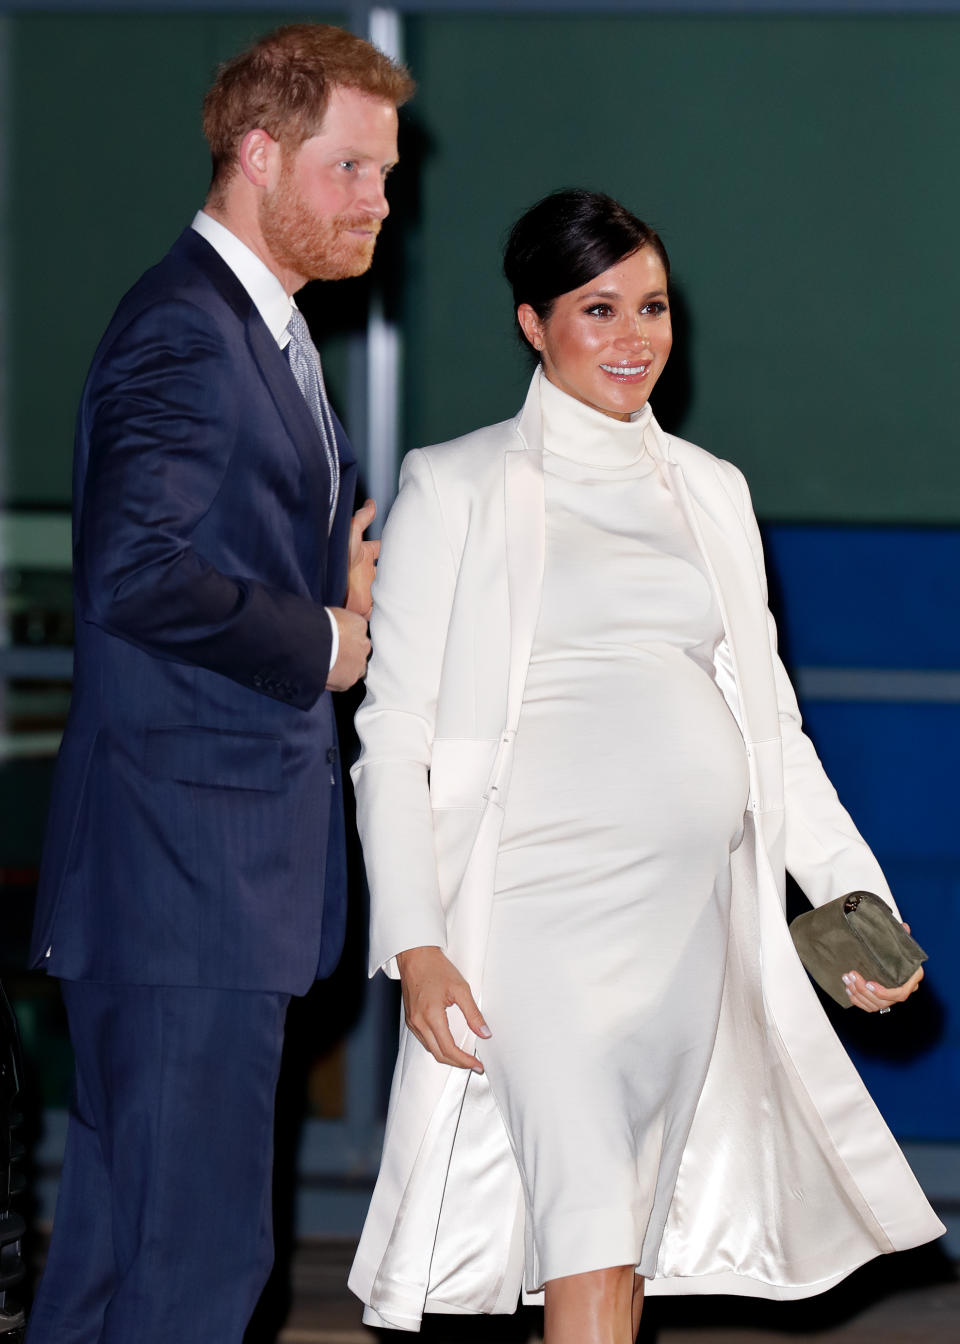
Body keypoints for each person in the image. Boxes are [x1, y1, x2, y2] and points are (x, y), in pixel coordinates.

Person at [347, 190, 944, 1343]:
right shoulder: (457, 483)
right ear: (532, 322)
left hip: (686, 927)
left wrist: (852, 898)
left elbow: (771, 730)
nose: (635, 338)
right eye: (598, 308)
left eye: (654, 306)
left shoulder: (712, 490)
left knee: (616, 1242)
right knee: (585, 1222)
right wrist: (415, 942)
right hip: (532, 918)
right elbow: (397, 731)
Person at [26, 24, 413, 1344]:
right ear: (258, 155)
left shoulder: (249, 331)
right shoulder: (191, 332)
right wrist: (325, 642)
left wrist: (338, 596)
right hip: (185, 883)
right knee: (193, 1282)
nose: (380, 201)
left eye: (388, 173)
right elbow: (136, 575)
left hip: (183, 889)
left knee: (113, 1277)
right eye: (351, 169)